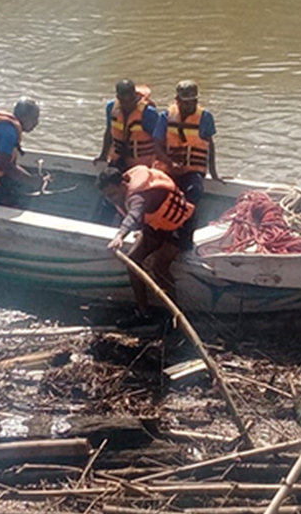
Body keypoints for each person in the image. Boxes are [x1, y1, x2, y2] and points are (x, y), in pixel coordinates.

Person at [98, 165, 195, 328]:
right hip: (156, 226)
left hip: (180, 225)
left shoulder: (137, 195)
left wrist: (120, 236)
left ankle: (175, 316)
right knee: (132, 261)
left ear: (123, 184)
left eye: (113, 194)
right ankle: (143, 313)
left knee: (159, 265)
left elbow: (134, 215)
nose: (112, 199)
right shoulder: (123, 193)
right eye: (107, 197)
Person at [153, 80, 222, 210]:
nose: (189, 106)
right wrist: (170, 163)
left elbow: (209, 145)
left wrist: (213, 173)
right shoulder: (165, 117)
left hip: (192, 170)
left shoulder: (205, 117)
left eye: (193, 101)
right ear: (177, 100)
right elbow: (156, 145)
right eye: (185, 102)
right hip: (169, 168)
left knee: (193, 190)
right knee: (156, 192)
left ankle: (185, 223)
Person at [94, 79, 160, 172]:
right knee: (108, 179)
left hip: (143, 164)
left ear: (135, 96)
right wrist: (103, 155)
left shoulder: (148, 113)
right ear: (118, 98)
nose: (127, 105)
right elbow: (109, 132)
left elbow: (159, 139)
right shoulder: (111, 108)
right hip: (120, 158)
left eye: (130, 100)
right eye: (123, 101)